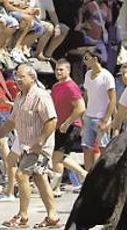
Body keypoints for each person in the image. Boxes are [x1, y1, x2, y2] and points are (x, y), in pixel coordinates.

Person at [0, 64, 60, 229]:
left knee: (21, 175)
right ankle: (52, 216)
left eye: (22, 76)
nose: (17, 79)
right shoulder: (20, 97)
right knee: (40, 179)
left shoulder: (41, 96)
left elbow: (52, 120)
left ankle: (23, 216)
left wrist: (40, 141)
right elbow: (11, 122)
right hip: (27, 145)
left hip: (39, 147)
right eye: (16, 76)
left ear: (32, 78)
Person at [50, 59, 87, 194]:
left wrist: (67, 122)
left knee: (57, 157)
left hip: (70, 126)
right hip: (58, 126)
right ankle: (83, 173)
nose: (58, 72)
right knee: (60, 156)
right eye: (57, 70)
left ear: (68, 70)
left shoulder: (71, 87)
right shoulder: (56, 86)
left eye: (61, 70)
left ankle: (56, 188)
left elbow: (81, 107)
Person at [81, 48, 116, 170]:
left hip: (102, 118)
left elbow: (112, 100)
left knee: (103, 149)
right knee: (86, 148)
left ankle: (104, 178)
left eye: (86, 58)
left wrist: (106, 120)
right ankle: (88, 178)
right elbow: (86, 95)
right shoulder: (87, 75)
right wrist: (84, 114)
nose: (84, 61)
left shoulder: (107, 76)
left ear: (95, 59)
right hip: (89, 117)